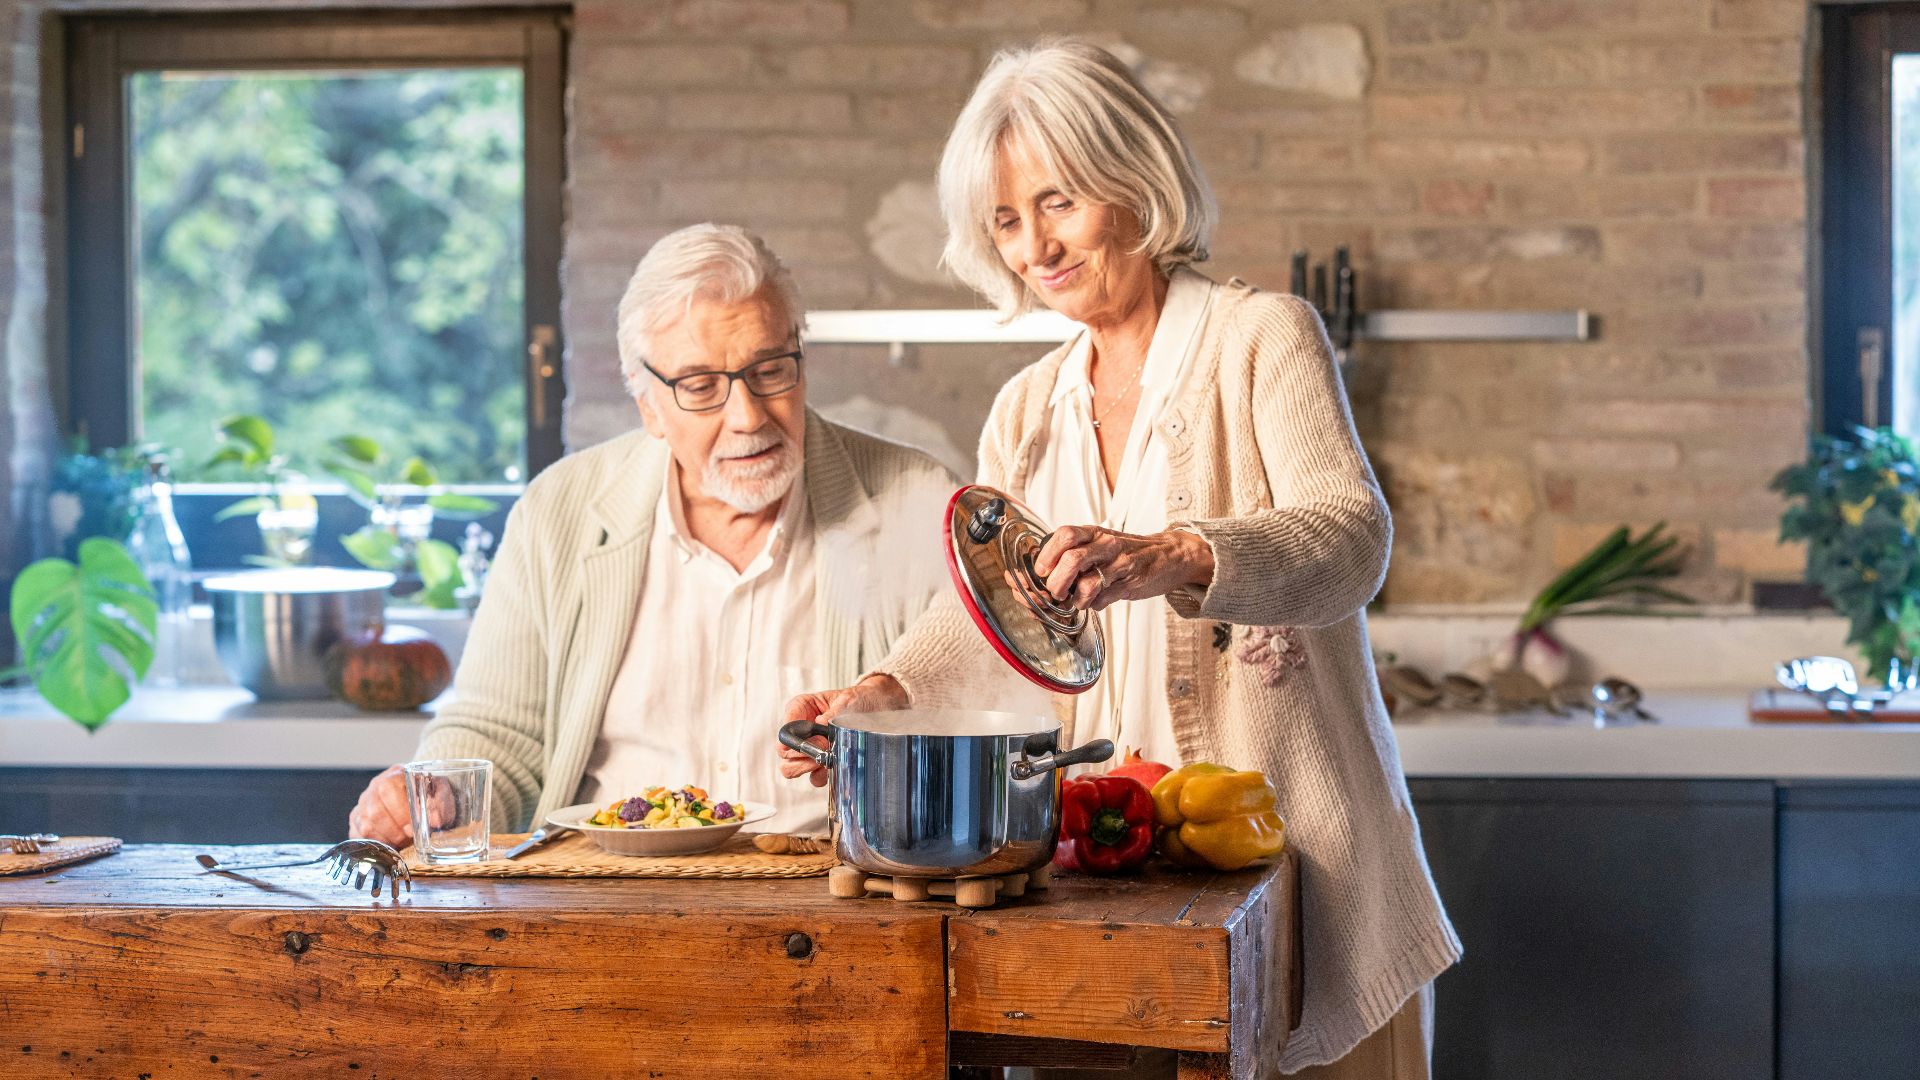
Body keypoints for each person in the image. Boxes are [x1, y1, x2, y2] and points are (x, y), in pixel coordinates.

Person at [779, 43, 1459, 1078]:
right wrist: (886, 691)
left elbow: (1351, 538)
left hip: (1298, 881)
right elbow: (994, 622)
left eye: (1056, 203)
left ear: (1132, 184)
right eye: (1006, 221)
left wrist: (1179, 555)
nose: (1032, 247)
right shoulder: (1027, 409)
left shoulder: (1263, 338)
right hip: (1109, 898)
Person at [350, 223, 954, 844]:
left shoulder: (917, 500)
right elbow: (500, 734)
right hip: (605, 902)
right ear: (647, 405)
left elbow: (977, 719)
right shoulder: (557, 512)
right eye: (700, 387)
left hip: (831, 903)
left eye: (770, 370)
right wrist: (439, 793)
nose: (748, 417)